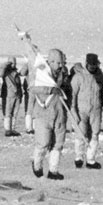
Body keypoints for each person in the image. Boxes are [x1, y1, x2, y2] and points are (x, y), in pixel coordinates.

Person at [19, 32, 72, 180]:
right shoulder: (41, 73)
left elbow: (66, 93)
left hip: (60, 114)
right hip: (44, 114)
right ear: (52, 61)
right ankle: (37, 165)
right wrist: (50, 89)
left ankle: (53, 171)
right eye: (59, 63)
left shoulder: (62, 75)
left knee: (58, 144)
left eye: (62, 63)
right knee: (43, 143)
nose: (61, 66)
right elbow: (32, 88)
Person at [71, 53, 103, 169]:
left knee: (94, 134)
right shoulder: (79, 77)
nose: (93, 67)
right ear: (86, 64)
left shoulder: (100, 77)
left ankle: (91, 160)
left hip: (95, 111)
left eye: (95, 65)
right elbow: (73, 95)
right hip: (81, 110)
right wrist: (73, 111)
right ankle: (79, 158)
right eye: (91, 65)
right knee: (81, 135)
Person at [0, 56, 24, 137]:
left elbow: (19, 85)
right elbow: (1, 72)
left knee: (15, 113)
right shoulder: (6, 72)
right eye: (12, 62)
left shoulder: (16, 73)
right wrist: (6, 64)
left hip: (17, 95)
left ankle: (12, 129)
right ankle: (7, 130)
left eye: (15, 62)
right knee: (8, 113)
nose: (14, 64)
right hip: (8, 95)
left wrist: (20, 95)